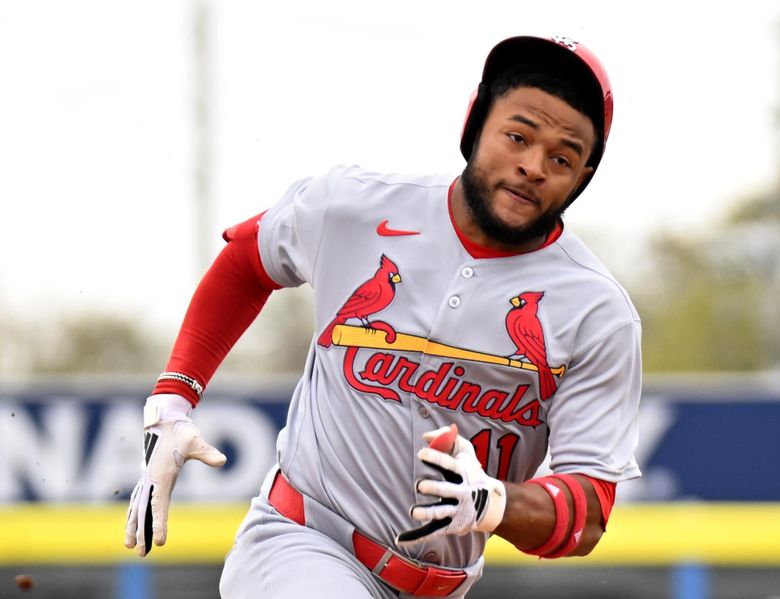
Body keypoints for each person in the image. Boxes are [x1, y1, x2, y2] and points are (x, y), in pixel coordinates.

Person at [124, 34, 642, 598]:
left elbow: (588, 511)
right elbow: (248, 260)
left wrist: (496, 502)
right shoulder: (356, 206)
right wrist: (174, 395)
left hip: (443, 585)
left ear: (582, 178)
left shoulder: (598, 312)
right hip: (303, 542)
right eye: (517, 136)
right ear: (474, 125)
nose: (532, 166)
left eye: (562, 158)